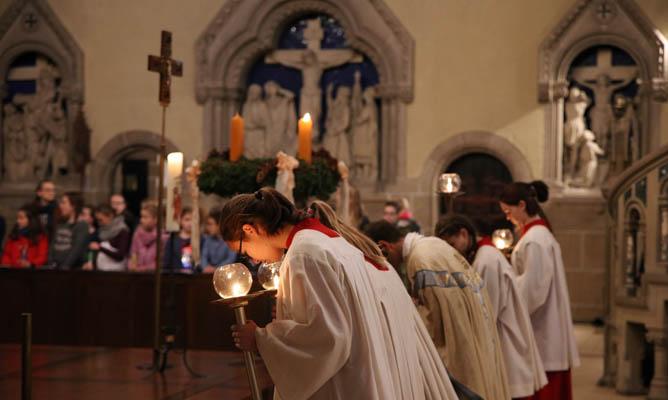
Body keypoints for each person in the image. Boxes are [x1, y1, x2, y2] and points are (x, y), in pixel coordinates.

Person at [224, 188, 458, 400]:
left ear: (250, 229)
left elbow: (328, 337)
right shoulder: (325, 241)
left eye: (244, 252)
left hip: (344, 385)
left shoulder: (305, 253)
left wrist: (261, 339)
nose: (253, 260)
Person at [364, 220, 510, 400]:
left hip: (461, 352)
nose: (386, 265)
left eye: (380, 257)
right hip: (479, 339)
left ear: (384, 246)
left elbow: (436, 321)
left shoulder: (421, 260)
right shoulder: (433, 245)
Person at [436, 214, 547, 399]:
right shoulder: (481, 255)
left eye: (452, 245)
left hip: (506, 342)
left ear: (464, 234)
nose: (452, 253)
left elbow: (487, 312)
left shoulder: (486, 260)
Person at [500, 181, 580, 399]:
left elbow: (534, 290)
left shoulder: (535, 240)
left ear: (522, 205)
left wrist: (507, 293)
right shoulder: (538, 236)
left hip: (542, 330)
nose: (508, 217)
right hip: (545, 328)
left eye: (508, 211)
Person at [48, 192, 89, 269]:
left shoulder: (82, 225)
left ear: (73, 206)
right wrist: (50, 262)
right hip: (55, 266)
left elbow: (76, 250)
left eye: (64, 203)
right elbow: (53, 244)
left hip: (71, 270)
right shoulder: (60, 223)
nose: (60, 206)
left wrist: (65, 266)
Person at [85, 205, 130, 272]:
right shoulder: (101, 231)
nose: (99, 223)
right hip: (100, 270)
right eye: (97, 220)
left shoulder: (122, 231)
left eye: (101, 220)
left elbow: (120, 256)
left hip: (116, 272)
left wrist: (100, 248)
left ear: (110, 216)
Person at [129, 201, 167, 271]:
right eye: (141, 217)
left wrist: (143, 269)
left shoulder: (163, 238)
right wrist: (133, 266)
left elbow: (162, 262)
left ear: (155, 219)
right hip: (137, 275)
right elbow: (133, 254)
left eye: (145, 217)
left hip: (152, 275)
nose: (141, 220)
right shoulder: (137, 234)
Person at [200, 207, 236, 273]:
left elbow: (231, 259)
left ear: (219, 225)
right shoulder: (207, 239)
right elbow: (204, 257)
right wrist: (205, 267)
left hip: (225, 272)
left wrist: (216, 269)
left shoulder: (230, 239)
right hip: (208, 273)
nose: (208, 227)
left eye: (210, 224)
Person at [163, 207, 194, 272]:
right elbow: (166, 263)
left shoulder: (200, 240)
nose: (190, 223)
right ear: (180, 220)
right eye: (187, 219)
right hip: (176, 276)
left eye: (193, 220)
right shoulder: (172, 240)